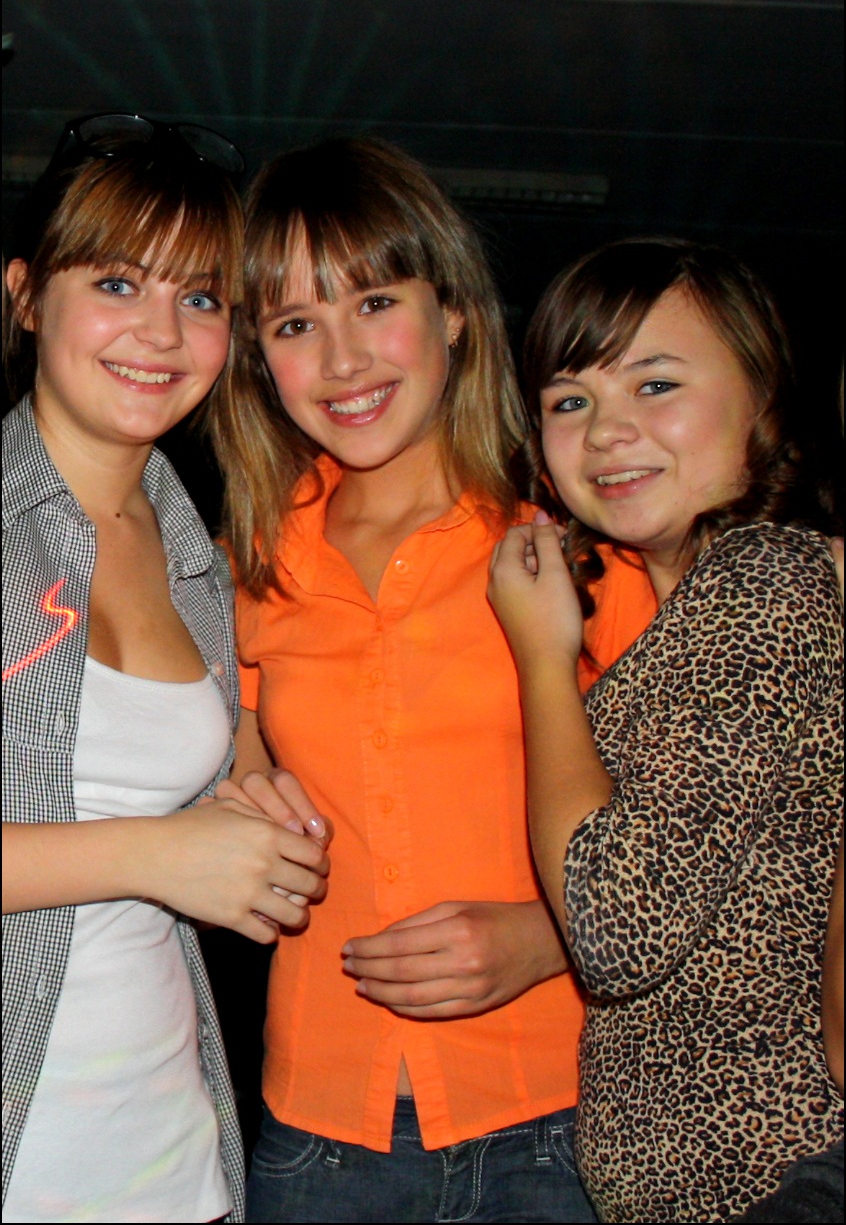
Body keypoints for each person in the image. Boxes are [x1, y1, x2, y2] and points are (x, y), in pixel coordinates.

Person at [208, 136, 656, 1225]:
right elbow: (228, 779)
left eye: (375, 303)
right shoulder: (247, 563)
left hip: (560, 1117)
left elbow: (704, 840)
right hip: (320, 1130)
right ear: (260, 357)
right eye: (295, 325)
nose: (343, 360)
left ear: (452, 311)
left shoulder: (575, 548)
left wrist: (548, 940)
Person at [2, 117, 329, 1225]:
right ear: (25, 296)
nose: (161, 332)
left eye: (200, 297)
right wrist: (159, 851)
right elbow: (152, 846)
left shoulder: (197, 555)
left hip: (173, 1152)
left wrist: (249, 808)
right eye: (117, 282)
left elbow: (188, 798)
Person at [488, 238, 844, 1224]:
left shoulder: (764, 580)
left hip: (775, 1182)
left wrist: (542, 659)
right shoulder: (708, 610)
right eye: (570, 400)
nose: (608, 431)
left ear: (763, 396)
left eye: (656, 384)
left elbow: (614, 927)